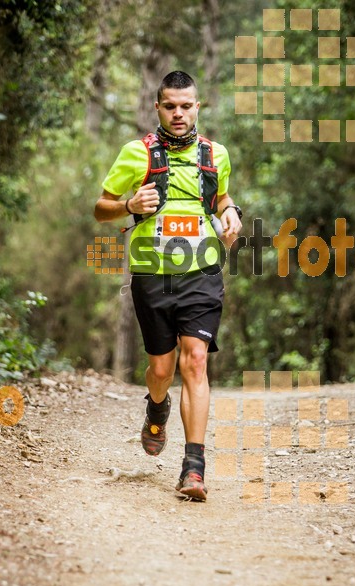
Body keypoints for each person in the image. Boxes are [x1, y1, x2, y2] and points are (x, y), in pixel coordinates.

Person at [94, 70, 242, 501]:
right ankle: (156, 406)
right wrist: (127, 203)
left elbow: (220, 198)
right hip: (151, 275)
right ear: (158, 108)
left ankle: (193, 468)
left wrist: (231, 213)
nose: (179, 114)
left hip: (203, 272)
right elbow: (100, 208)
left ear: (198, 107)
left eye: (186, 106)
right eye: (170, 106)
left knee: (194, 362)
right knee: (161, 370)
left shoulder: (216, 155)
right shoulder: (136, 154)